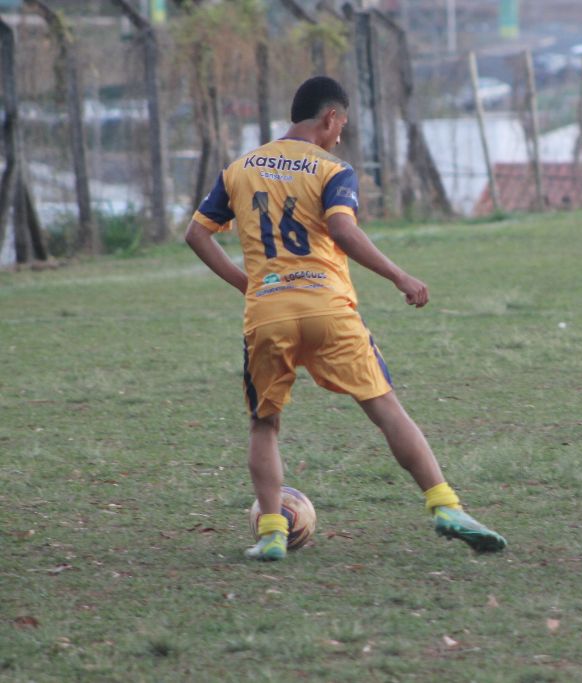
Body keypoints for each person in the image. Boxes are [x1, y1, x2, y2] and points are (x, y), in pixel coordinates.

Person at [185, 76, 507, 560]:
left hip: (269, 313)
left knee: (264, 424)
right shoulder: (333, 169)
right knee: (386, 409)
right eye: (342, 126)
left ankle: (272, 534)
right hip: (328, 308)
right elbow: (341, 228)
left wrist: (248, 284)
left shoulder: (239, 169)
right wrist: (399, 275)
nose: (340, 136)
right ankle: (446, 506)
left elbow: (196, 234)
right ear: (330, 118)